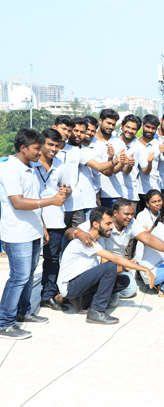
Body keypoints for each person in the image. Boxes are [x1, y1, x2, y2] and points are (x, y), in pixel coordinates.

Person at [0, 128, 67, 339]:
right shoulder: (10, 169)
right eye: (37, 148)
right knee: (18, 277)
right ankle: (4, 323)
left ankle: (23, 312)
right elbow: (18, 202)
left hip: (33, 231)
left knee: (28, 275)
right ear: (23, 148)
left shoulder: (29, 168)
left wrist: (42, 227)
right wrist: (52, 201)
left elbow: (33, 200)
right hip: (17, 233)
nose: (40, 152)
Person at [66, 198, 164, 306]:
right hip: (101, 265)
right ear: (115, 213)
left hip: (120, 265)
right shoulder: (104, 221)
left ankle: (98, 292)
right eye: (126, 214)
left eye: (132, 214)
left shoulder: (131, 223)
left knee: (130, 290)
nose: (130, 217)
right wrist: (78, 233)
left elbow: (147, 238)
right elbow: (69, 232)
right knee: (112, 301)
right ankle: (87, 294)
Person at [57, 207, 151, 324]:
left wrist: (125, 267)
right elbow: (114, 259)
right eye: (108, 223)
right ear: (95, 224)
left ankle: (85, 300)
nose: (111, 227)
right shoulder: (86, 240)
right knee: (111, 266)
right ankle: (96, 311)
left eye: (112, 223)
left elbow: (104, 265)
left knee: (123, 280)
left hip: (82, 282)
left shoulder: (100, 240)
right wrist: (145, 269)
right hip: (70, 286)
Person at [33, 129, 72, 312]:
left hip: (55, 218)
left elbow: (68, 187)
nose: (53, 149)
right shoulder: (31, 164)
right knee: (30, 262)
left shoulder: (60, 165)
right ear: (41, 143)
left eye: (57, 146)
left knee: (52, 259)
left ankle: (47, 295)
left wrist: (65, 192)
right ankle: (21, 301)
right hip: (33, 218)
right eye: (50, 144)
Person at [93, 109, 124, 208]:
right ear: (100, 121)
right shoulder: (90, 141)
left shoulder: (119, 143)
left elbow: (118, 167)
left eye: (113, 124)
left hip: (113, 193)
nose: (111, 127)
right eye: (108, 123)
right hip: (93, 193)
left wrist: (118, 163)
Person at [137, 114, 162, 212]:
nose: (150, 130)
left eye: (153, 128)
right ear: (142, 126)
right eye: (148, 127)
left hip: (153, 188)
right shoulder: (135, 144)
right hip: (136, 190)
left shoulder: (159, 145)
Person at [117, 114, 143, 205]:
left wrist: (130, 165)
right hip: (112, 193)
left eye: (133, 129)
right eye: (127, 127)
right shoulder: (112, 143)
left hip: (130, 194)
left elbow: (146, 170)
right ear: (122, 126)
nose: (130, 131)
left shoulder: (140, 147)